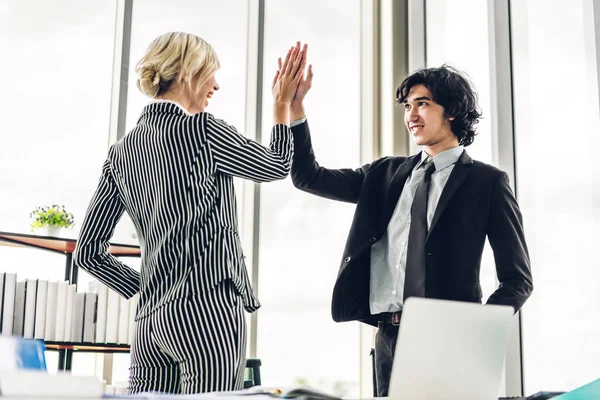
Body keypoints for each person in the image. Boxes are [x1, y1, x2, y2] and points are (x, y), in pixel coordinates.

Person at [74, 33, 306, 394]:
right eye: (212, 72)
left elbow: (88, 252)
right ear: (189, 72)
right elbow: (276, 165)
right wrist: (281, 106)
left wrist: (149, 291)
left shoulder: (121, 152)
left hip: (150, 326)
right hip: (206, 312)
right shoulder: (203, 130)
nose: (216, 84)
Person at [288, 63, 533, 396]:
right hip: (387, 336)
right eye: (407, 106)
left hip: (449, 337)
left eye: (423, 103)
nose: (411, 115)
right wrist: (296, 107)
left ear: (453, 111)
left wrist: (475, 329)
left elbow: (518, 279)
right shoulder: (383, 175)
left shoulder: (487, 183)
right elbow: (308, 177)